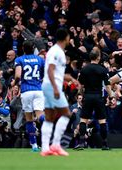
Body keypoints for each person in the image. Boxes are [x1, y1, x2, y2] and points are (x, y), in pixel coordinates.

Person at [40, 28, 79, 156]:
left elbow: (56, 73)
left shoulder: (56, 51)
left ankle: (45, 148)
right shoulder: (57, 51)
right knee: (67, 114)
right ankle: (56, 144)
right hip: (52, 86)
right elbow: (50, 70)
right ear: (66, 38)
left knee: (50, 117)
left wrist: (71, 78)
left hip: (48, 85)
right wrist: (56, 88)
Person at [75, 48, 113, 150]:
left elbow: (80, 86)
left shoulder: (84, 69)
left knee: (83, 120)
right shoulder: (102, 69)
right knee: (102, 121)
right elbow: (107, 86)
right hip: (98, 97)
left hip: (87, 96)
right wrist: (111, 96)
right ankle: (105, 144)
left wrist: (82, 95)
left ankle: (82, 143)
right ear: (98, 57)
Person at [12, 40, 45, 152]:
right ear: (33, 48)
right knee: (40, 116)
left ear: (22, 48)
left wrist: (14, 83)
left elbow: (17, 76)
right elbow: (44, 75)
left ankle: (34, 145)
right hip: (38, 90)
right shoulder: (40, 59)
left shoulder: (19, 59)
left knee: (29, 119)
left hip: (26, 91)